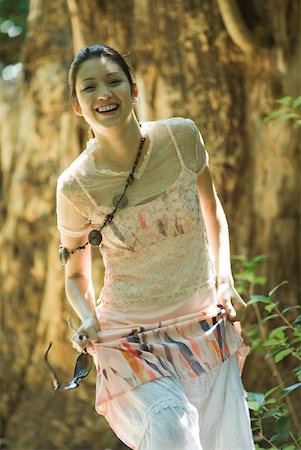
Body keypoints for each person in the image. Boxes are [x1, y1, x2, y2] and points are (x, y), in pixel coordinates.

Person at [56, 44, 255, 450]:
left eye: (113, 81)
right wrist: (87, 317)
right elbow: (75, 274)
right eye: (89, 87)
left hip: (200, 324)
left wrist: (224, 280)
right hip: (128, 336)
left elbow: (212, 212)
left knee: (223, 441)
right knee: (170, 430)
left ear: (133, 90)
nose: (103, 94)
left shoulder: (181, 137)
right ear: (77, 106)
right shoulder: (75, 185)